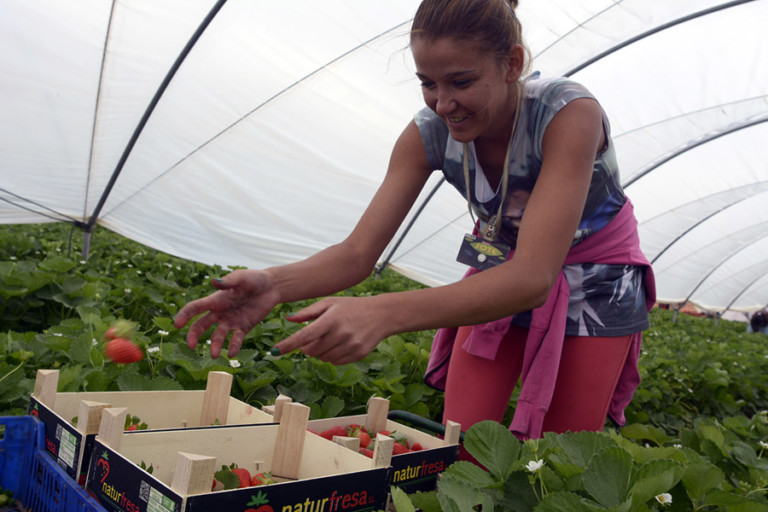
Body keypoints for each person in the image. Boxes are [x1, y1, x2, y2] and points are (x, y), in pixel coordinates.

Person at [174, 0, 656, 448]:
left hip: (598, 281)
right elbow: (357, 254)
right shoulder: (429, 134)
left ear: (511, 64)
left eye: (461, 82)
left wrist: (383, 313)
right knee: (462, 443)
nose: (443, 103)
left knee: (564, 454)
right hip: (502, 269)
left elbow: (533, 276)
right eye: (428, 83)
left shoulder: (567, 113)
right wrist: (274, 284)